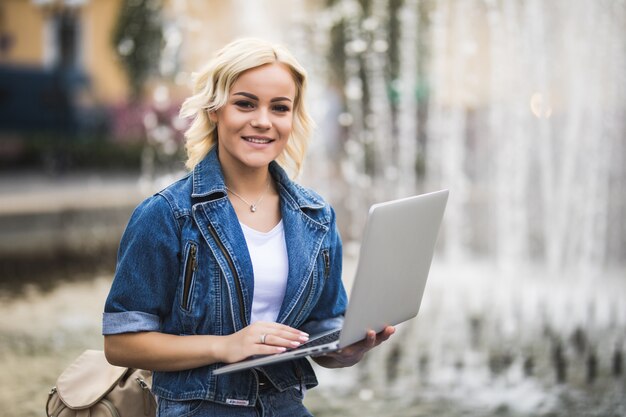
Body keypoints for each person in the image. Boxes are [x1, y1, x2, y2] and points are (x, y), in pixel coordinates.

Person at [102, 38, 395, 416]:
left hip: (286, 407)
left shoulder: (316, 216)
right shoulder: (167, 214)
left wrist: (345, 350)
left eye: (280, 108)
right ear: (214, 110)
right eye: (245, 103)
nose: (263, 121)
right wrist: (225, 345)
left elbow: (324, 327)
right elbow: (121, 344)